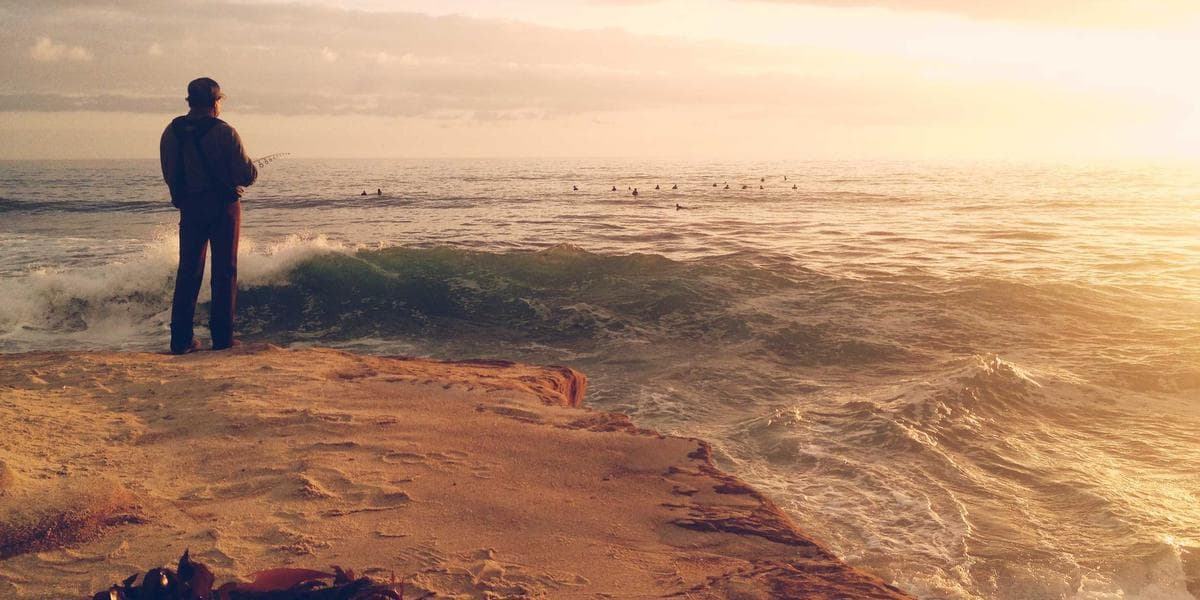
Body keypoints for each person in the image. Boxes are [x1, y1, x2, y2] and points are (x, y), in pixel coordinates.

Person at [160, 77, 257, 354]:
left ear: (190, 102)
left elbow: (169, 172)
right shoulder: (225, 132)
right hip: (223, 208)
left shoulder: (171, 131)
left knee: (188, 272)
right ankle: (222, 338)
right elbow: (246, 174)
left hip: (190, 208)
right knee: (224, 271)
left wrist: (182, 197)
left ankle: (180, 341)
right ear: (216, 102)